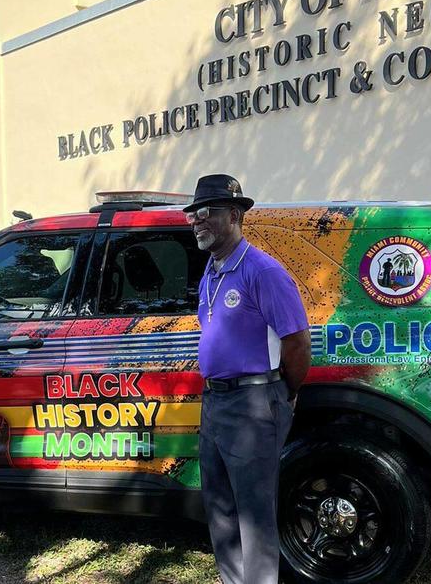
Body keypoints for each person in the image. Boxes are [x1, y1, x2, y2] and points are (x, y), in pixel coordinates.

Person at [184, 174, 311, 584]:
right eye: (193, 214)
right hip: (216, 404)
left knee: (254, 515)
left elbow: (296, 341)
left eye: (207, 212)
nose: (197, 221)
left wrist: (285, 394)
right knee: (220, 508)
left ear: (235, 215)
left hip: (255, 404)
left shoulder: (263, 271)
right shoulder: (212, 271)